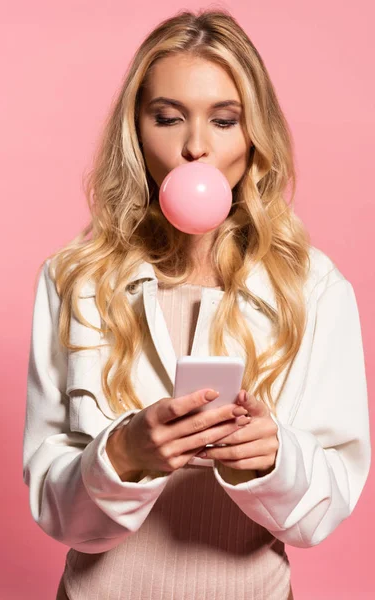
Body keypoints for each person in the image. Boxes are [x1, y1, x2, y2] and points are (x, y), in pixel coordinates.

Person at [22, 9, 371, 600]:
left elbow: (323, 512)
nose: (195, 148)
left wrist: (272, 459)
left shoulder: (311, 287)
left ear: (253, 134)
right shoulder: (73, 280)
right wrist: (123, 455)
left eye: (224, 120)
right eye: (168, 118)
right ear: (136, 131)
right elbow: (55, 513)